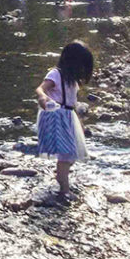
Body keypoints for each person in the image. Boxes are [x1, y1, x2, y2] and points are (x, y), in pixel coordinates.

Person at [36, 41, 93, 197]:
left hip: (68, 116)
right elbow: (41, 88)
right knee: (66, 154)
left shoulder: (72, 80)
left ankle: (62, 178)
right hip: (55, 115)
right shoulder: (56, 74)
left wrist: (80, 125)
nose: (82, 70)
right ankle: (64, 190)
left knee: (71, 154)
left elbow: (72, 104)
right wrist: (43, 98)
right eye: (81, 65)